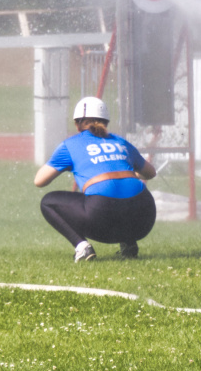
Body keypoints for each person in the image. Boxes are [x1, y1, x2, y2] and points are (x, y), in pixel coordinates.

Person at [34, 96, 158, 261]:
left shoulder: (70, 145)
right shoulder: (120, 142)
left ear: (77, 124)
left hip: (103, 217)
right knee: (122, 192)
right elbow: (150, 173)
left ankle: (82, 248)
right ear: (106, 122)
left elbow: (39, 181)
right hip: (144, 218)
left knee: (48, 202)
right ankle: (128, 244)